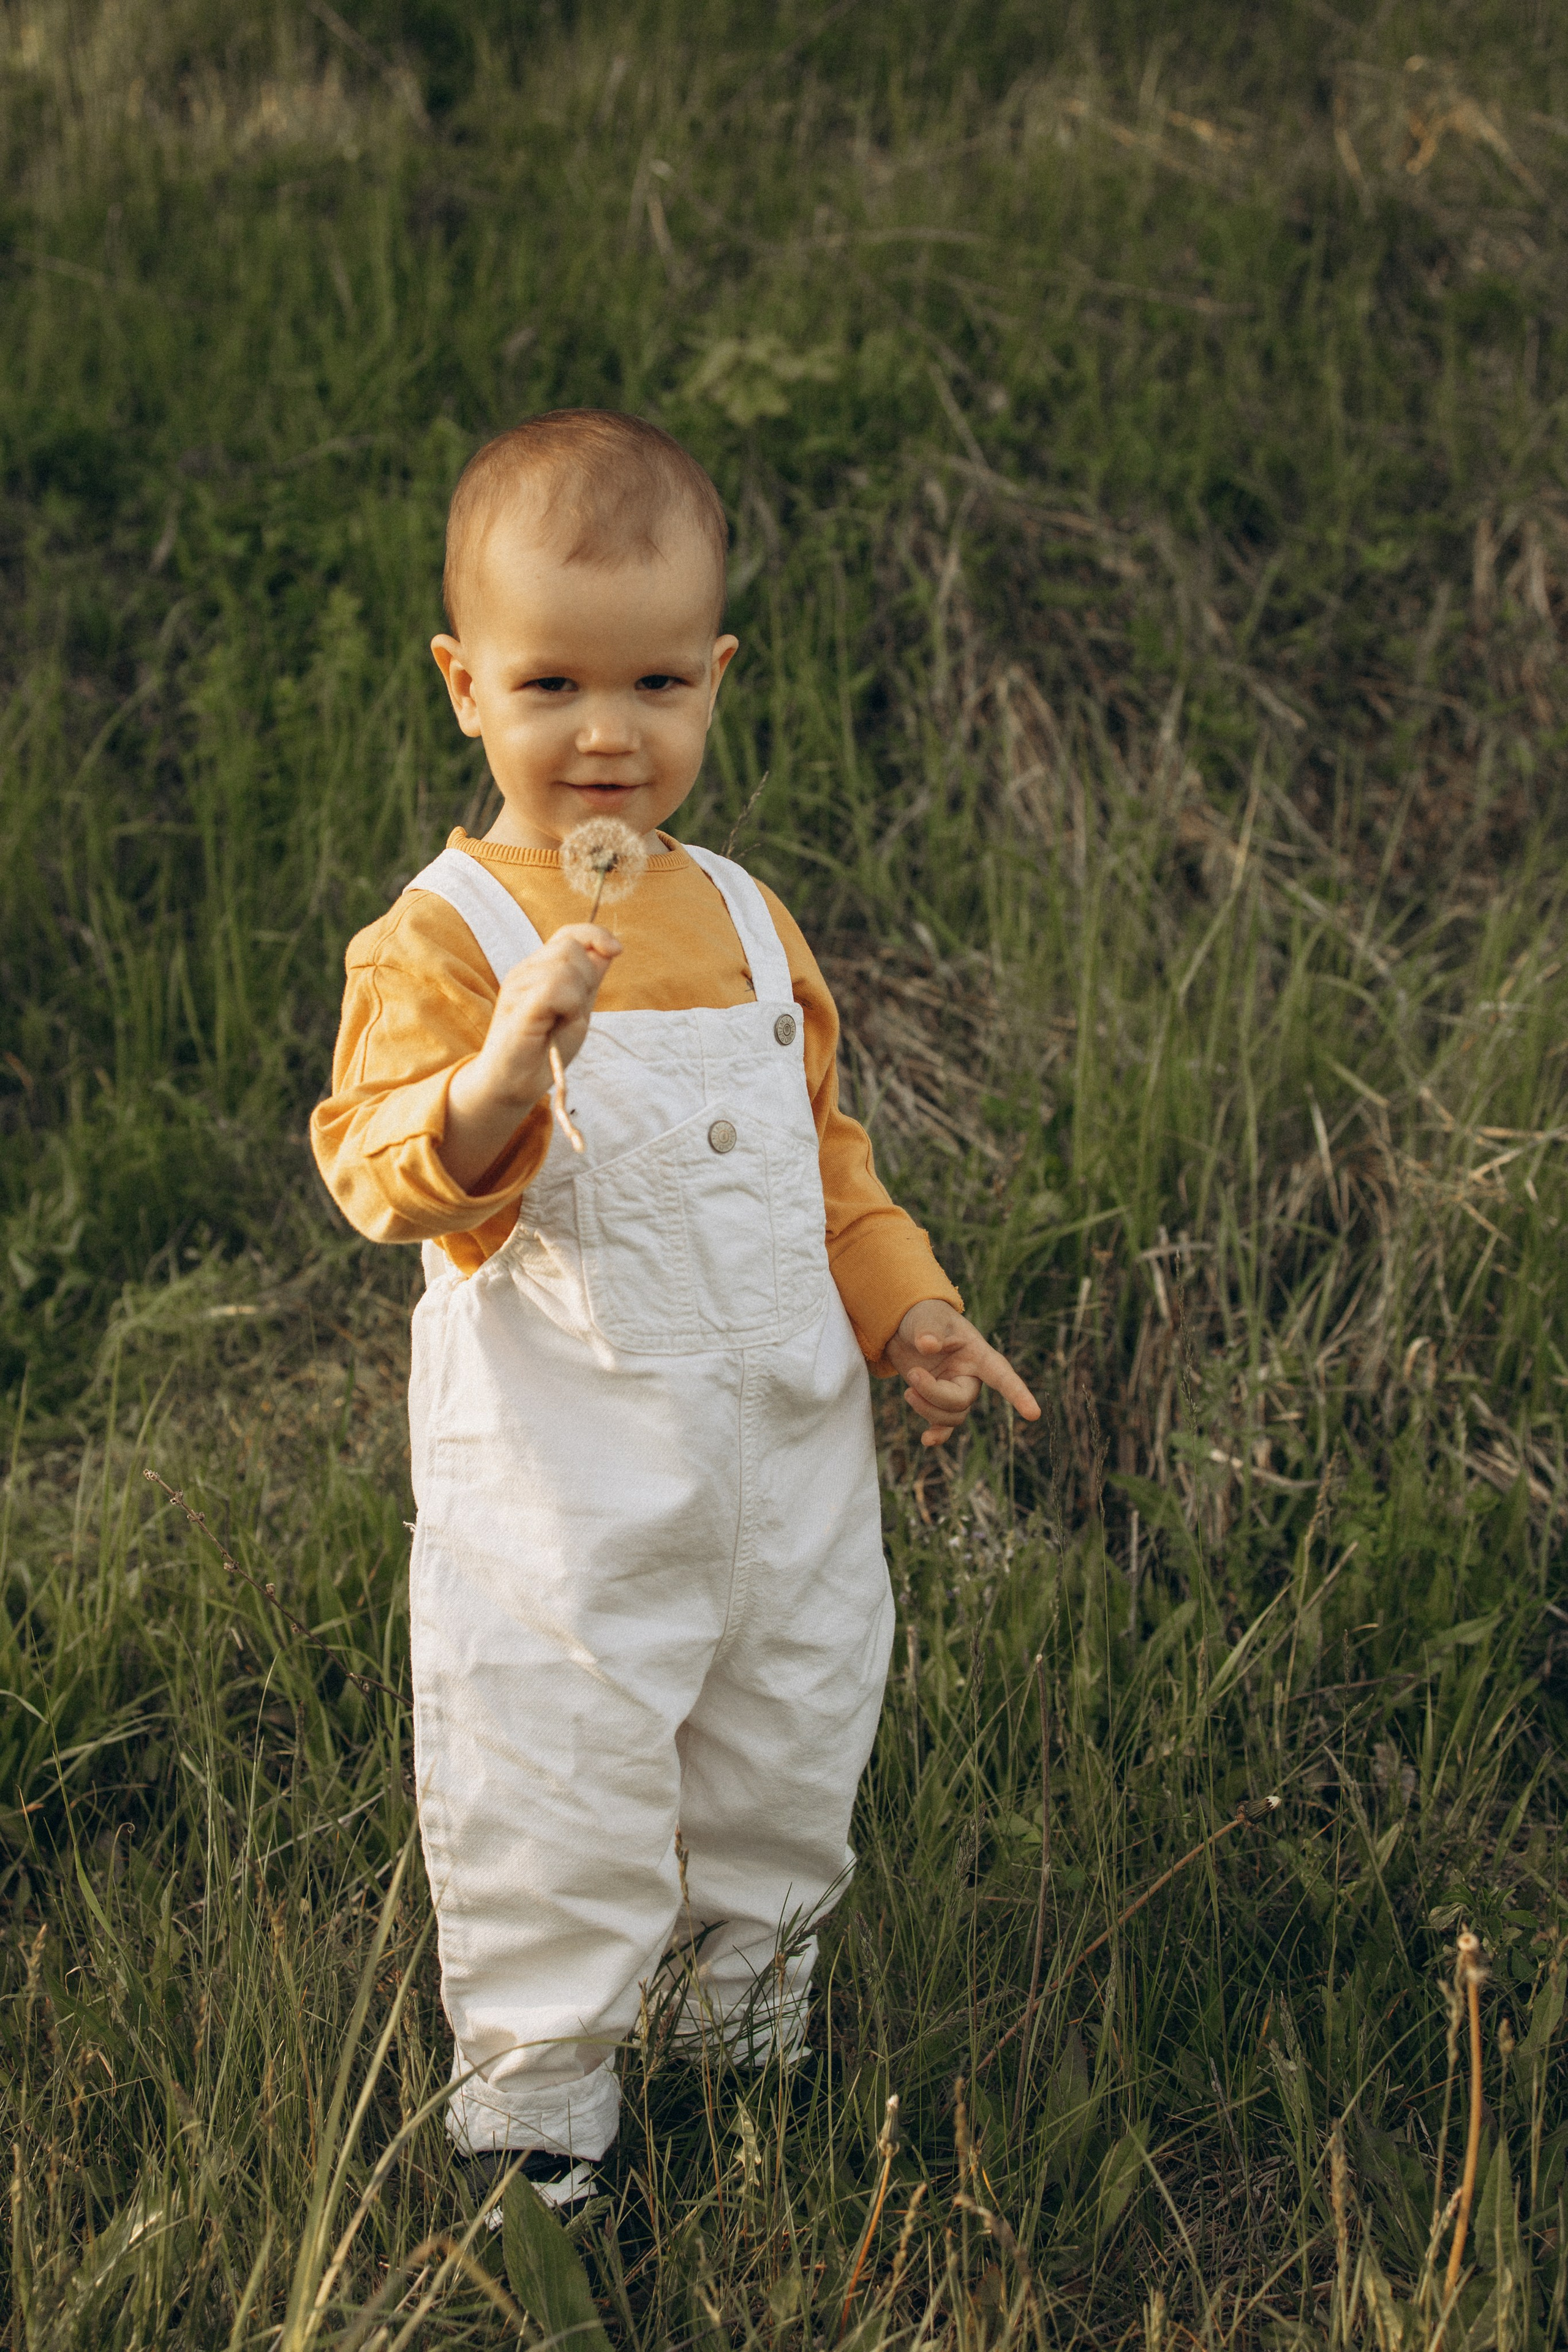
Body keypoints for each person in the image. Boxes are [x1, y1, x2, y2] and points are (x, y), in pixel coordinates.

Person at [311, 409, 1038, 2207]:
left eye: (654, 682)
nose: (607, 734)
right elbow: (381, 1167)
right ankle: (541, 2119)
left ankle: (745, 2035)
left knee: (794, 1732)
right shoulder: (449, 933)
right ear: (463, 683)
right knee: (557, 1780)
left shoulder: (740, 910)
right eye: (551, 682)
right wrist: (503, 1074)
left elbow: (827, 1162)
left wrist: (908, 1315)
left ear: (716, 679)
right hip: (573, 1488)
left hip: (783, 1469)